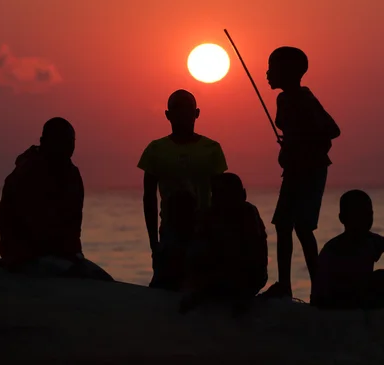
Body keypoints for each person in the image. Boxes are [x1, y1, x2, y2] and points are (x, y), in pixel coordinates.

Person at [261, 47, 341, 298]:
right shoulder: (282, 99)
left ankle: (318, 288)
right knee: (283, 225)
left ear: (288, 72)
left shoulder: (304, 98)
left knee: (303, 229)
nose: (267, 73)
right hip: (295, 170)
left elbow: (331, 130)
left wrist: (300, 143)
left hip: (310, 171)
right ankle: (284, 285)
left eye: (272, 68)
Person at [0, 117, 113, 281]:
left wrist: (75, 255)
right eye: (61, 141)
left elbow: (73, 224)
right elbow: (16, 223)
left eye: (70, 142)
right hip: (26, 256)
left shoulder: (71, 174)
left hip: (61, 255)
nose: (67, 147)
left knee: (102, 280)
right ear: (44, 141)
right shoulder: (26, 173)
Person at [138, 89, 228, 290]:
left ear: (196, 113)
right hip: (170, 232)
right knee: (166, 286)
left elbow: (223, 197)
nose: (182, 116)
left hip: (204, 231)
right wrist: (154, 243)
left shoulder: (212, 149)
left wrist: (220, 236)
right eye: (177, 111)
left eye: (187, 111)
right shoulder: (156, 149)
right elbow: (149, 199)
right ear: (168, 115)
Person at [180, 173, 268, 314]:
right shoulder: (210, 216)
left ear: (242, 195)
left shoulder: (249, 214)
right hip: (221, 276)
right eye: (217, 194)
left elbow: (255, 256)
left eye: (226, 194)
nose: (219, 199)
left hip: (245, 277)